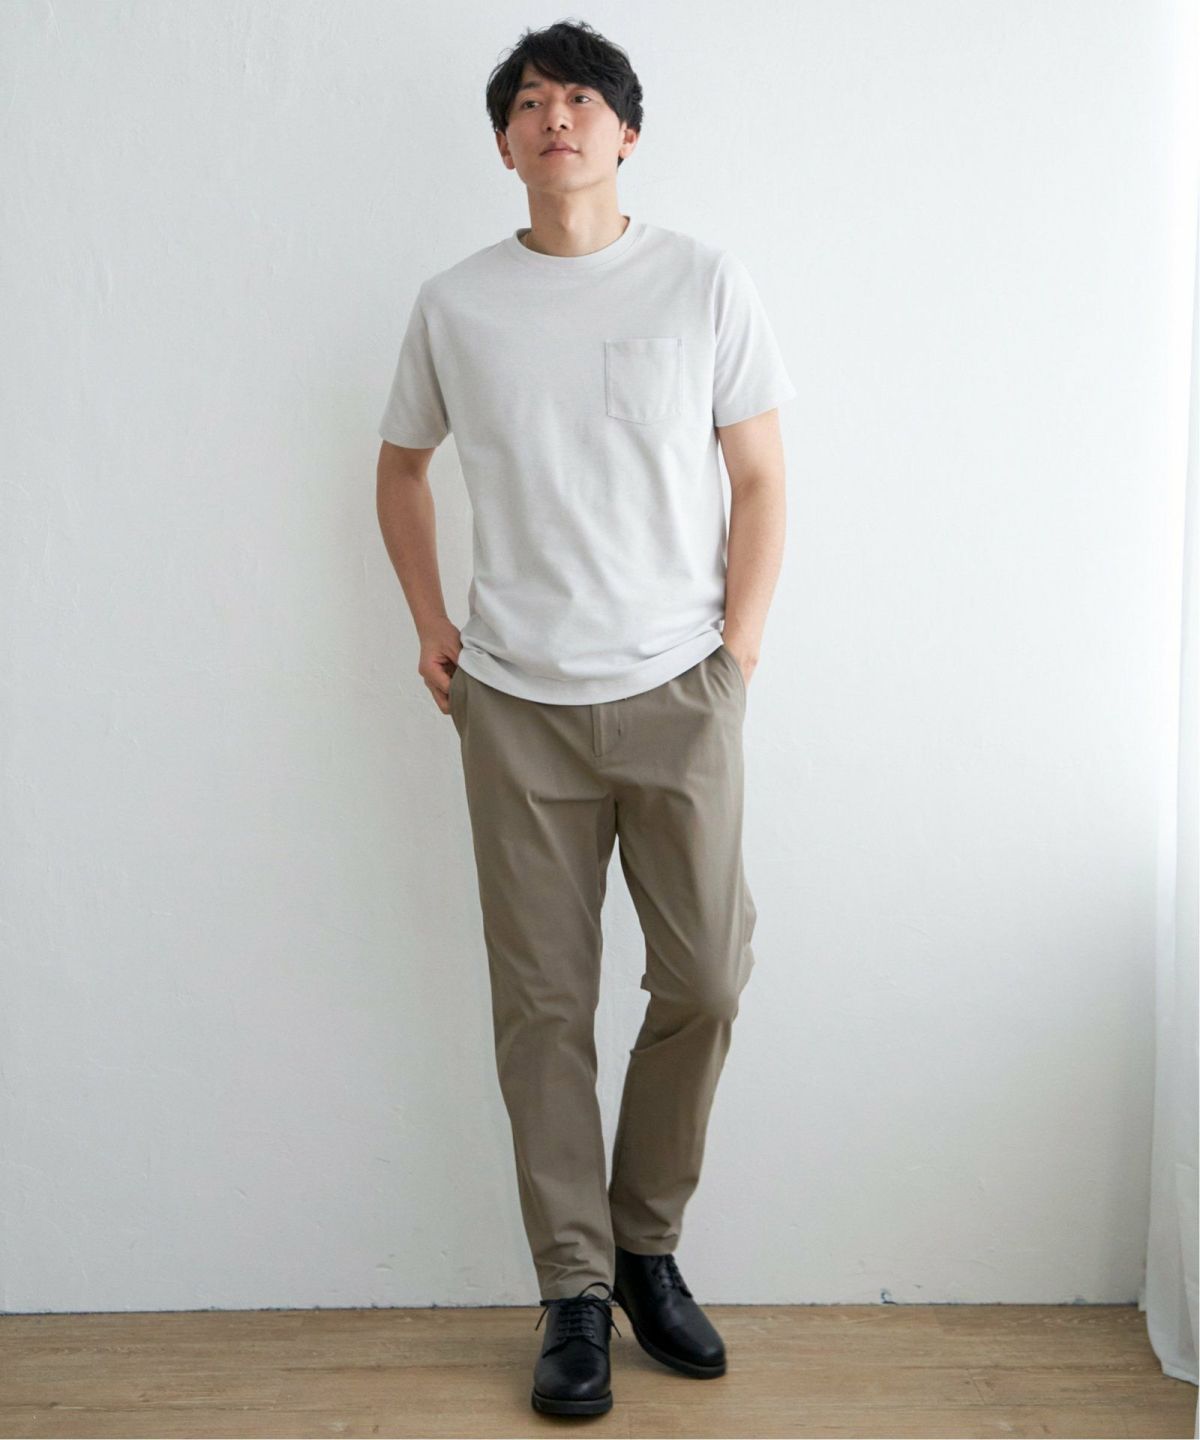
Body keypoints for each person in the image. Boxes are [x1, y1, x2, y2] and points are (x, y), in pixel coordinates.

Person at [375, 19, 796, 1418]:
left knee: (710, 975)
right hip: (517, 705)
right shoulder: (456, 304)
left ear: (627, 133)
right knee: (543, 1006)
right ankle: (571, 1289)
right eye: (531, 102)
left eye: (582, 97)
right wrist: (432, 625)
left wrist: (736, 652)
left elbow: (762, 477)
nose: (556, 116)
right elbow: (399, 468)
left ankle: (644, 1247)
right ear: (505, 144)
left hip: (680, 690)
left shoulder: (703, 280)